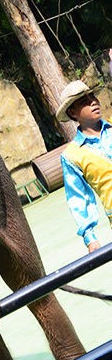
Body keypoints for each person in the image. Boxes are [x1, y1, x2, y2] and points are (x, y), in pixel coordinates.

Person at [56, 64, 112, 253]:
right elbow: (79, 198)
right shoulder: (72, 156)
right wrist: (90, 238)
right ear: (72, 112)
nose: (93, 102)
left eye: (92, 96)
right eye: (84, 101)